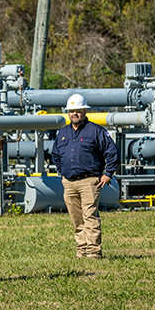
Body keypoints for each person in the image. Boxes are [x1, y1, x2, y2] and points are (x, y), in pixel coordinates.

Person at [51, 94, 120, 259]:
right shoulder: (62, 133)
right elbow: (55, 155)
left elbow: (112, 152)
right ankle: (81, 251)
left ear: (84, 110)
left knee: (90, 216)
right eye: (71, 111)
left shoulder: (96, 130)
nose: (74, 113)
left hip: (90, 181)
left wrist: (108, 174)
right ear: (68, 113)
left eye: (78, 110)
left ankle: (94, 252)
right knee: (77, 219)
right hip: (69, 182)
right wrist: (63, 173)